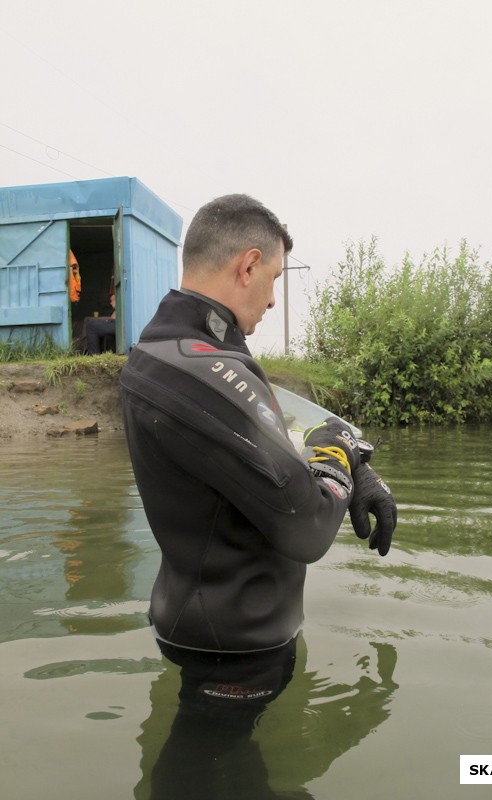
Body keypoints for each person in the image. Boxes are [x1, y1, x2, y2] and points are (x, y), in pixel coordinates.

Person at [120, 194, 397, 706]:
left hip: (207, 621)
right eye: (275, 279)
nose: (273, 301)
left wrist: (357, 466)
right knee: (213, 784)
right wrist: (338, 455)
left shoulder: (170, 351)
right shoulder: (205, 372)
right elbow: (308, 525)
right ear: (248, 265)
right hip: (235, 649)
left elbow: (277, 437)